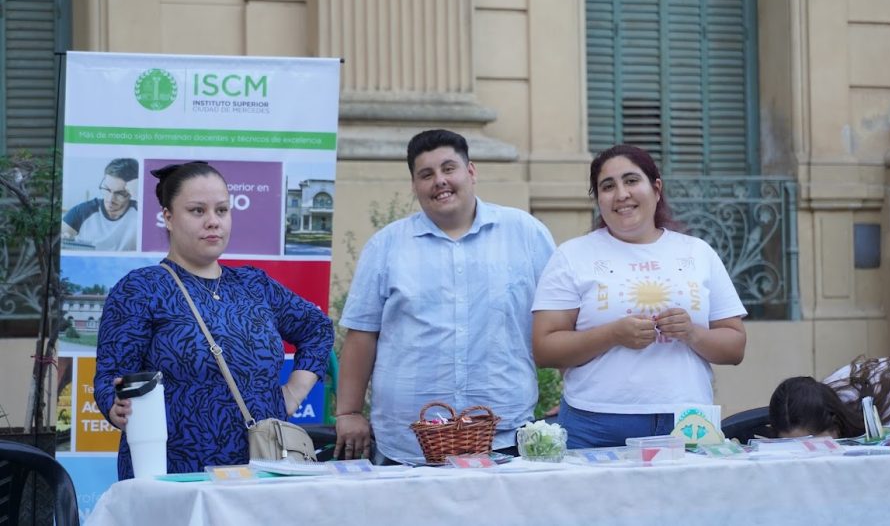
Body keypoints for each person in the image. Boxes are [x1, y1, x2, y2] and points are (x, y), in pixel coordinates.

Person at [94, 161, 333, 478]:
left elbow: (317, 329)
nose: (213, 222)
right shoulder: (140, 289)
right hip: (175, 475)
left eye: (222, 210)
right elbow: (111, 376)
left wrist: (292, 394)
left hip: (261, 471)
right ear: (167, 217)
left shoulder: (254, 285)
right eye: (197, 211)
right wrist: (115, 405)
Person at [335, 129, 556, 463]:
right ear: (414, 186)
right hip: (407, 444)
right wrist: (349, 412)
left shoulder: (526, 234)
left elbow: (559, 318)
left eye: (448, 168)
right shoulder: (387, 246)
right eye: (426, 174)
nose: (439, 181)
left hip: (505, 437)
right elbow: (362, 334)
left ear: (471, 171)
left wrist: (575, 396)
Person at [531, 144, 747, 449]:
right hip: (595, 422)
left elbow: (735, 346)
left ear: (656, 188)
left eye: (631, 180)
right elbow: (544, 349)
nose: (621, 194)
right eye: (608, 186)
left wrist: (691, 333)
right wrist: (612, 334)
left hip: (688, 420)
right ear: (598, 199)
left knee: (685, 498)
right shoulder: (573, 255)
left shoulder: (697, 252)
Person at [62, 158, 139, 251]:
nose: (110, 199)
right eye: (107, 189)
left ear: (131, 192)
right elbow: (59, 239)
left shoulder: (141, 212)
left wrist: (141, 195)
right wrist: (63, 239)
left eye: (120, 193)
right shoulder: (82, 211)